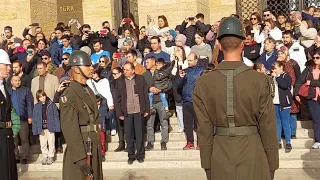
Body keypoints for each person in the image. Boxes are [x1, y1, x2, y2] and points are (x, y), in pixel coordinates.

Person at [193, 17, 279, 180]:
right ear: (242, 44)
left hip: (219, 155)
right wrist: (272, 164)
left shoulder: (203, 83)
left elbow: (203, 129)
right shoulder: (260, 80)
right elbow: (268, 126)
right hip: (253, 156)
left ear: (218, 45)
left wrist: (207, 165)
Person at [59, 50, 103, 180]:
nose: (91, 68)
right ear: (77, 69)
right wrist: (80, 159)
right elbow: (70, 129)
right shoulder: (69, 94)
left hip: (92, 145)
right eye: (88, 66)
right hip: (80, 151)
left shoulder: (88, 89)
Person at [115, 62, 149, 164]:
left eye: (127, 70)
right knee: (129, 135)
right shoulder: (119, 81)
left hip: (139, 110)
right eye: (124, 69)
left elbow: (145, 94)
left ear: (133, 70)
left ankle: (140, 155)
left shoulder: (140, 79)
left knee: (139, 134)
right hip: (127, 112)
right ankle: (131, 155)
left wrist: (147, 109)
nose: (125, 72)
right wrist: (119, 113)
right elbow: (117, 99)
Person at [0, 49, 18, 180]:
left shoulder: (4, 87)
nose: (9, 68)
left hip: (6, 135)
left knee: (9, 170)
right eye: (6, 65)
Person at [32, 90, 60, 165]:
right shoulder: (36, 106)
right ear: (38, 98)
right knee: (43, 143)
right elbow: (34, 118)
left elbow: (56, 116)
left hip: (50, 127)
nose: (43, 98)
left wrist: (57, 127)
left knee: (51, 142)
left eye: (43, 96)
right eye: (40, 96)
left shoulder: (51, 104)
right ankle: (45, 156)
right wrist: (35, 129)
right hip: (41, 128)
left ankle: (51, 156)